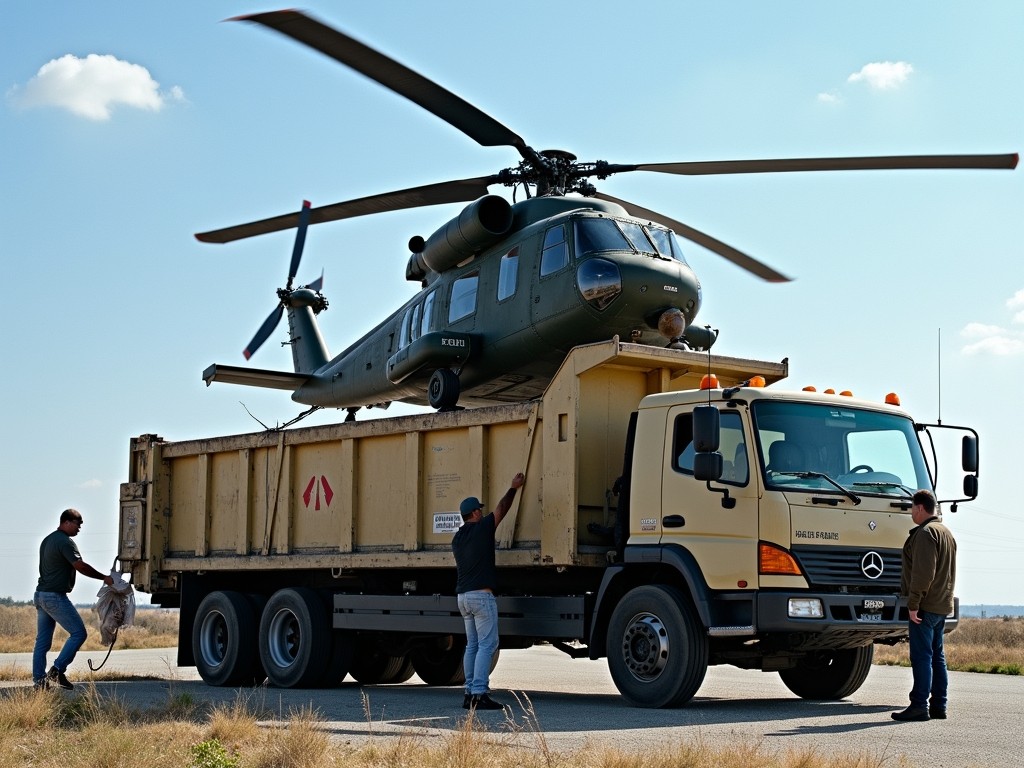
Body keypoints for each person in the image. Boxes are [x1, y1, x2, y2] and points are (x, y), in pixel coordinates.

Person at [452, 472, 526, 711]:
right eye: (479, 510)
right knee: (487, 644)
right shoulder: (482, 528)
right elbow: (501, 509)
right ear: (474, 513)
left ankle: (469, 693)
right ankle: (480, 694)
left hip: (463, 597)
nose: (482, 513)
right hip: (481, 597)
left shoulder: (457, 538)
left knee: (471, 645)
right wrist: (513, 488)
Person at [891, 489, 957, 722]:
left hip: (926, 605)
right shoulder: (945, 532)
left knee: (922, 656)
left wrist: (913, 603)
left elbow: (923, 574)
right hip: (941, 605)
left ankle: (919, 705)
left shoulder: (926, 533)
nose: (911, 512)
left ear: (920, 508)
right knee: (937, 656)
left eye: (912, 508)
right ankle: (939, 705)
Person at [33, 509, 114, 690]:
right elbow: (80, 566)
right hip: (54, 596)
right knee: (79, 633)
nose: (79, 528)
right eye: (78, 524)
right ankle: (57, 670)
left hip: (41, 595)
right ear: (67, 522)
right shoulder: (65, 542)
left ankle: (39, 682)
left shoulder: (48, 539)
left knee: (42, 642)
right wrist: (105, 578)